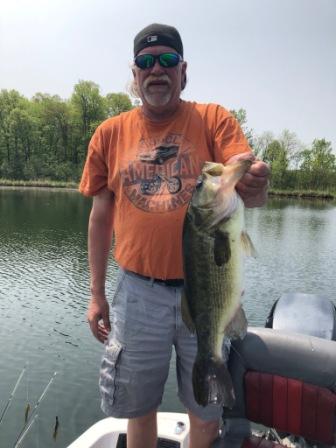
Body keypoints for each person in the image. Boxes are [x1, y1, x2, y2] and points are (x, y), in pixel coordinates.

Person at [79, 23, 269, 448]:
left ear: (184, 72)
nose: (156, 70)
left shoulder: (214, 119)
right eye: (146, 63)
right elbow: (99, 216)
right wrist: (96, 294)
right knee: (137, 408)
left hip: (206, 293)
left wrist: (252, 178)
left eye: (167, 61)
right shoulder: (109, 133)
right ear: (135, 74)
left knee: (205, 411)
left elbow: (244, 177)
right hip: (137, 293)